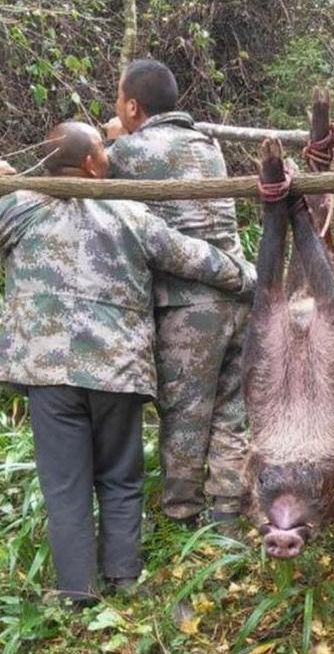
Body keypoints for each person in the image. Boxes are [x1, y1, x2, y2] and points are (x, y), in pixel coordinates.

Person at [0, 122, 255, 606]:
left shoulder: (16, 208)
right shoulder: (129, 214)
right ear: (93, 163)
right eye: (103, 150)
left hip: (47, 374)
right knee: (120, 475)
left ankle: (77, 592)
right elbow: (195, 258)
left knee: (65, 483)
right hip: (116, 372)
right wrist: (253, 278)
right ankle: (125, 577)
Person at [107, 59, 252, 527]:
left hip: (189, 305)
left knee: (186, 413)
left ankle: (182, 516)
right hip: (238, 292)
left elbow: (90, 168)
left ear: (132, 105)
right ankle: (227, 513)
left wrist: (113, 141)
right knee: (231, 410)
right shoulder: (206, 144)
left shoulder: (131, 152)